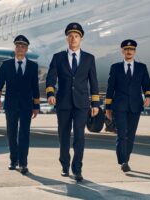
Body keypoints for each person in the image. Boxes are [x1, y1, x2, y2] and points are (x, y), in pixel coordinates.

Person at [46, 22, 100, 182]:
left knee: (79, 137)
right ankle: (64, 165)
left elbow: (94, 82)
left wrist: (95, 104)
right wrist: (50, 93)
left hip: (81, 103)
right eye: (70, 36)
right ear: (67, 38)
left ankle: (77, 169)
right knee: (63, 136)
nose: (73, 39)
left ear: (80, 38)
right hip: (63, 103)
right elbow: (51, 78)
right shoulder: (58, 57)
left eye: (76, 36)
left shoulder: (89, 58)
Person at [0, 35, 40, 175]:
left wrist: (36, 106)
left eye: (23, 46)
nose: (20, 48)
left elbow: (35, 87)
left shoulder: (33, 66)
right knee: (12, 133)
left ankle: (23, 163)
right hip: (11, 105)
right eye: (18, 46)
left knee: (24, 134)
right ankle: (13, 161)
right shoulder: (6, 64)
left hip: (26, 105)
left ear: (26, 49)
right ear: (15, 48)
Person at [105, 39, 150, 172]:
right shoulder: (115, 67)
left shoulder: (141, 67)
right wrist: (108, 107)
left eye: (131, 49)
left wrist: (148, 96)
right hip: (119, 106)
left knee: (131, 134)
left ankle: (126, 158)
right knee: (122, 133)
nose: (129, 51)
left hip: (135, 106)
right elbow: (110, 88)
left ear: (135, 51)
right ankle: (123, 161)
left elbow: (147, 85)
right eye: (126, 49)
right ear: (122, 51)